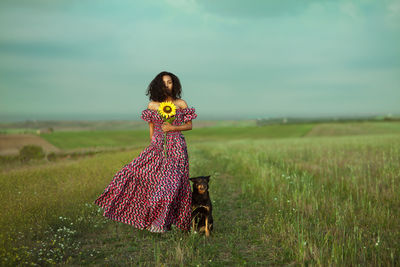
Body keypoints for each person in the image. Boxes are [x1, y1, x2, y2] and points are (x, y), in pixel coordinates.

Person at [94, 71, 197, 233]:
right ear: (158, 86)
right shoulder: (152, 106)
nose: (167, 86)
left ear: (174, 84)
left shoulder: (181, 104)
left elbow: (189, 126)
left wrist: (172, 128)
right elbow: (151, 128)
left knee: (170, 186)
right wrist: (154, 146)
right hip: (157, 147)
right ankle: (147, 218)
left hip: (176, 147)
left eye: (170, 82)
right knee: (131, 173)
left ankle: (161, 223)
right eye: (164, 83)